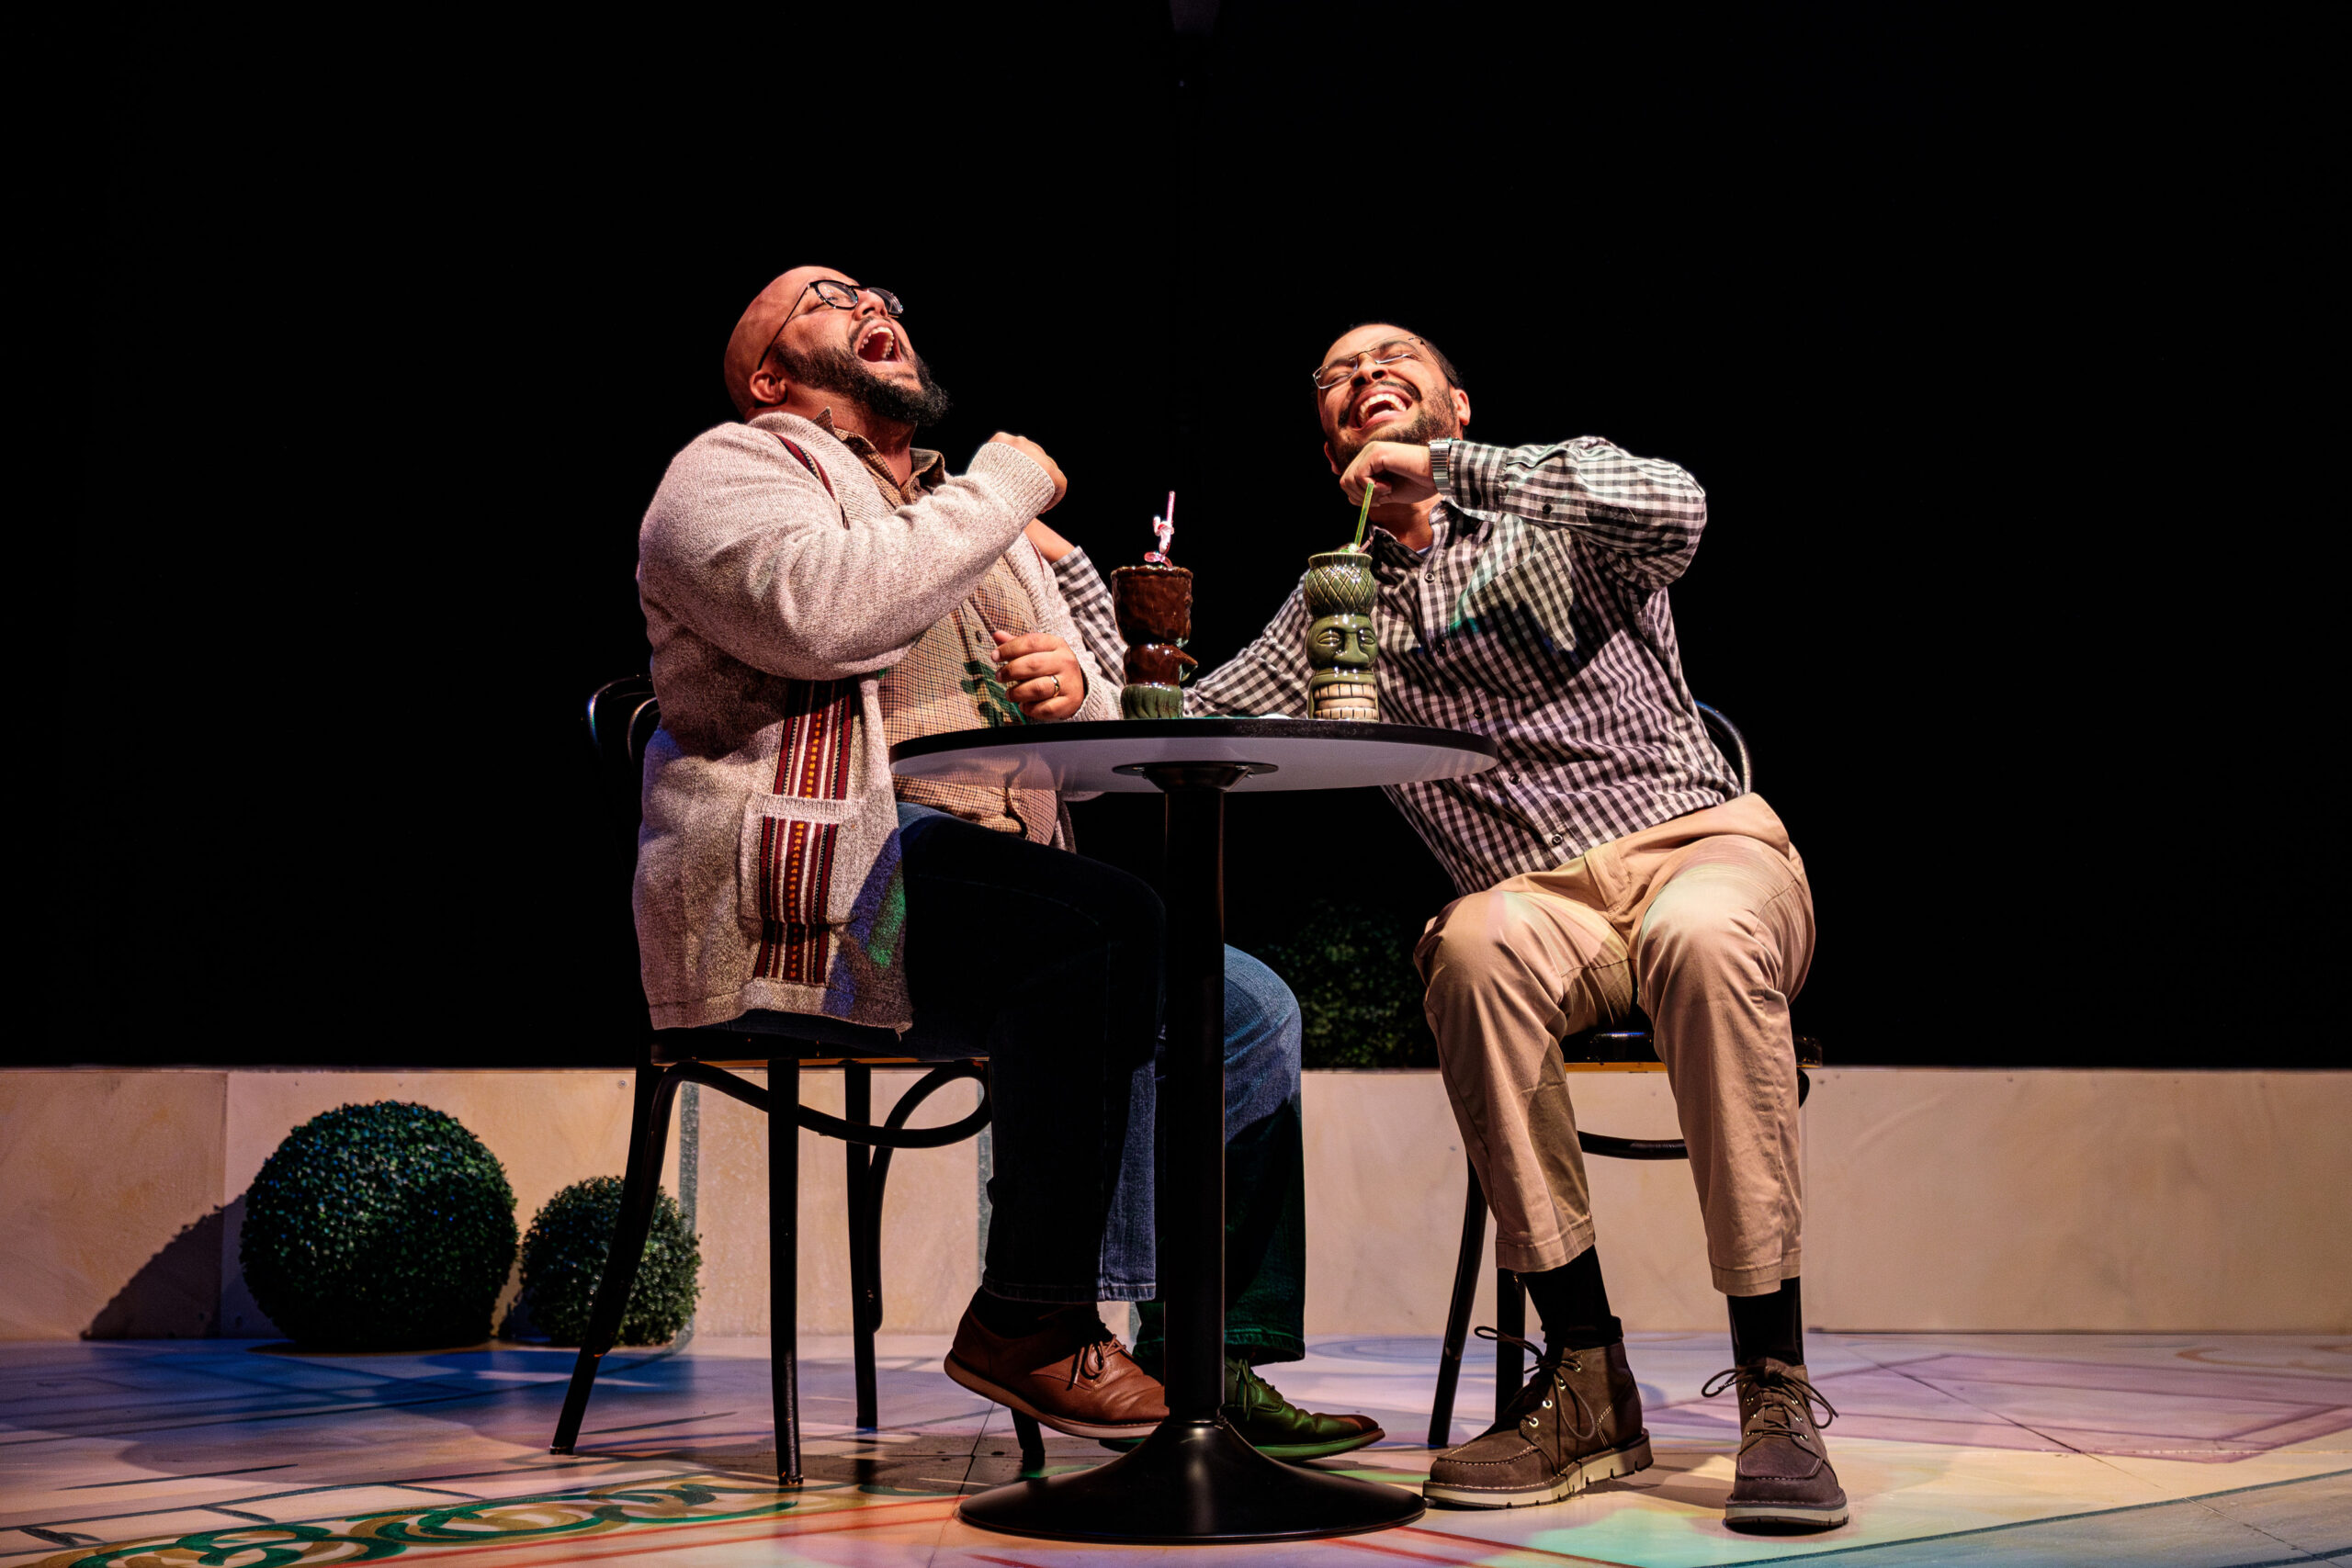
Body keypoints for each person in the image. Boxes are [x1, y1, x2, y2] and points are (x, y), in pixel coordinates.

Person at [1040, 323, 1842, 1529]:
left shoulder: (1553, 512)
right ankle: (1587, 1379)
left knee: (1705, 940)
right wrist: (1069, 595)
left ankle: (1773, 1383)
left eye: (1391, 360)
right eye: (1337, 378)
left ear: (1456, 407)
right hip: (1531, 905)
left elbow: (1676, 506)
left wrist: (1453, 472)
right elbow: (1183, 721)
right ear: (1330, 453)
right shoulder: (1336, 602)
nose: (1364, 376)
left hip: (1701, 849)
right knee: (1467, 947)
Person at [632, 267, 1376, 1461]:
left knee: (1243, 1007)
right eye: (826, 297)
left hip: (992, 891)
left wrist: (1078, 693)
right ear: (769, 375)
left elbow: (1101, 726)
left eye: (876, 290)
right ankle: (1033, 1318)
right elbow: (825, 615)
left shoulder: (967, 522)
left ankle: (1207, 1357)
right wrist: (1006, 483)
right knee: (1106, 926)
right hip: (822, 890)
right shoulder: (735, 470)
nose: (869, 303)